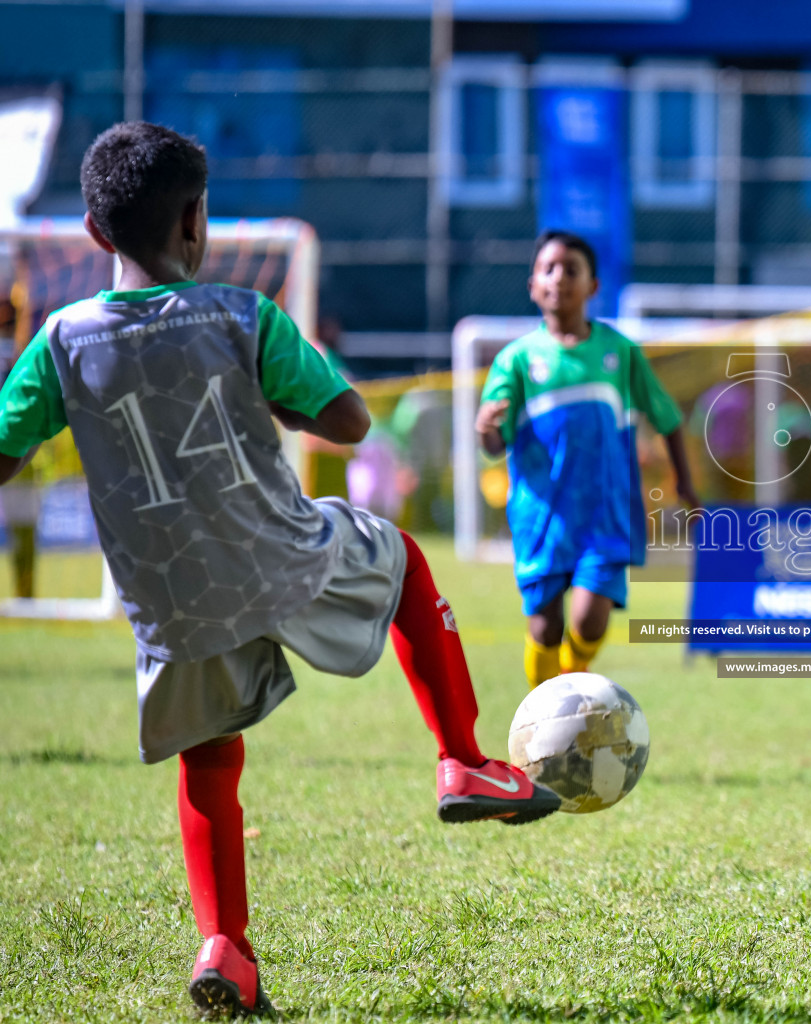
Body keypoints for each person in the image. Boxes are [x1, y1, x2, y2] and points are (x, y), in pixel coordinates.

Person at [0, 122, 561, 1019]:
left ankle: (225, 946)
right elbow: (348, 424)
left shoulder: (60, 345)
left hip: (172, 605)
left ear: (97, 235)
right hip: (284, 557)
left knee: (211, 761)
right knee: (405, 559)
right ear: (196, 222)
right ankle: (462, 761)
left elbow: (1, 454)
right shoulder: (240, 315)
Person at [476, 230, 699, 691]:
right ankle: (540, 712)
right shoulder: (515, 360)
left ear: (593, 286)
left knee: (592, 618)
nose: (559, 278)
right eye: (549, 269)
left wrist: (685, 483)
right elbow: (496, 445)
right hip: (542, 514)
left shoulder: (619, 352)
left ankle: (569, 686)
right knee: (544, 627)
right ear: (533, 285)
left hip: (605, 508)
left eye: (571, 269)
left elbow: (668, 417)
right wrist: (486, 428)